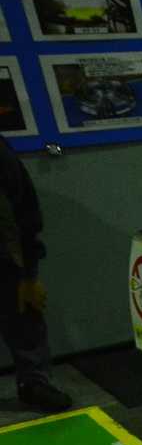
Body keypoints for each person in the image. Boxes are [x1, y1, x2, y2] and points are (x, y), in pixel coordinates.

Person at [0, 136, 68, 413]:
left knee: (23, 312)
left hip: (6, 258)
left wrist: (29, 275)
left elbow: (24, 212)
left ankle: (34, 382)